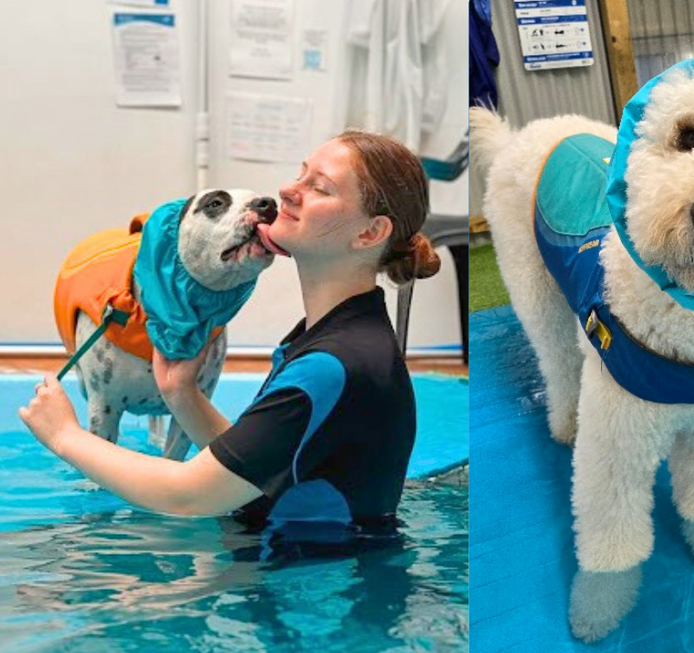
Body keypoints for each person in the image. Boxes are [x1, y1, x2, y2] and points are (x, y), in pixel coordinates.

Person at [21, 130, 443, 536]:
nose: (288, 190)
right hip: (304, 557)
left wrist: (65, 436)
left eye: (320, 187)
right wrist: (182, 393)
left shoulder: (336, 365)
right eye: (299, 174)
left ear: (370, 233)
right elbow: (259, 465)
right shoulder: (335, 335)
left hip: (313, 591)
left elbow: (187, 497)